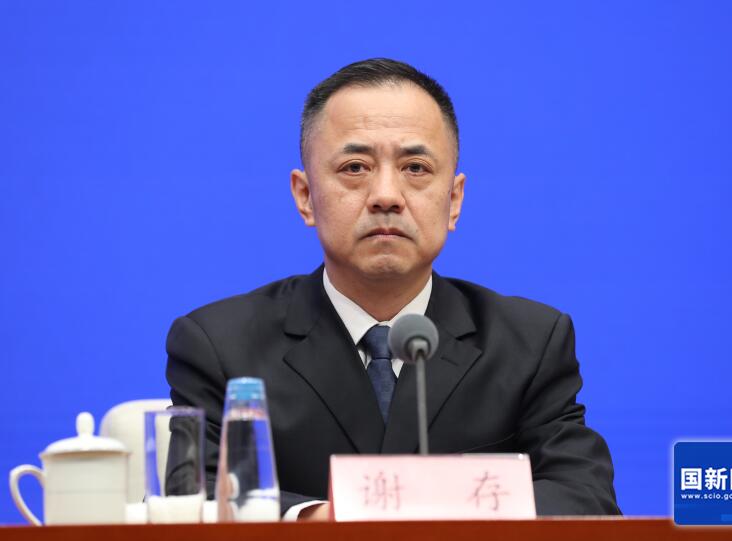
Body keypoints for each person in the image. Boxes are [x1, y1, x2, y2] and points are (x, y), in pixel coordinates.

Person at [166, 58, 620, 520]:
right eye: (355, 167)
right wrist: (314, 520)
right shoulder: (220, 346)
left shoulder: (529, 343)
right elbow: (186, 502)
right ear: (305, 197)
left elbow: (586, 498)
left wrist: (426, 514)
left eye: (415, 168)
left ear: (454, 200)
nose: (386, 195)